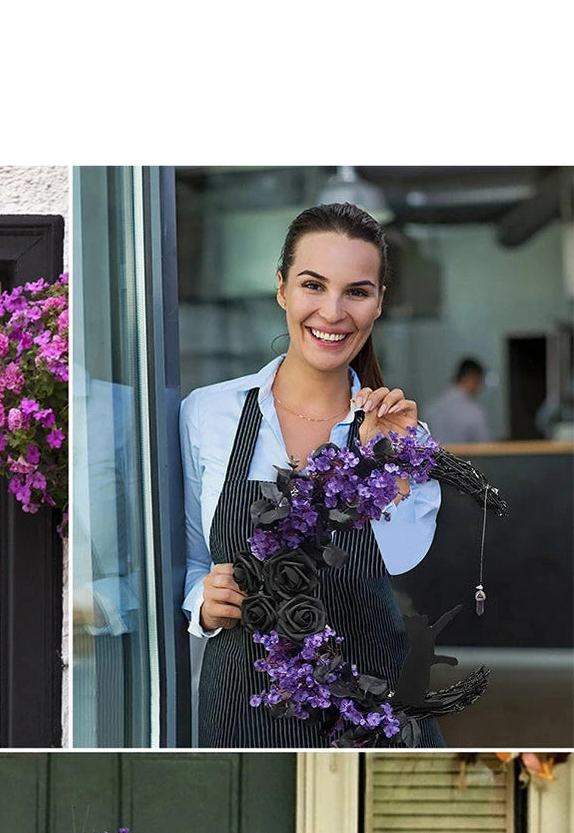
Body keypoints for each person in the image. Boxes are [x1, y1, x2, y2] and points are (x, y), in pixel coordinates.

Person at [181, 201, 443, 748]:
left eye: (356, 291)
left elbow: (399, 560)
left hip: (371, 696)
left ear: (377, 306)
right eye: (312, 285)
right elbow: (189, 559)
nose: (332, 311)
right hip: (243, 698)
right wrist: (201, 605)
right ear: (281, 289)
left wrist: (383, 460)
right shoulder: (208, 412)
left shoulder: (399, 430)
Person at [421, 359, 491, 445]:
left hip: (432, 458)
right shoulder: (474, 412)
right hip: (466, 458)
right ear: (472, 378)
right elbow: (486, 448)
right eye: (480, 382)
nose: (480, 388)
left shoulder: (430, 407)